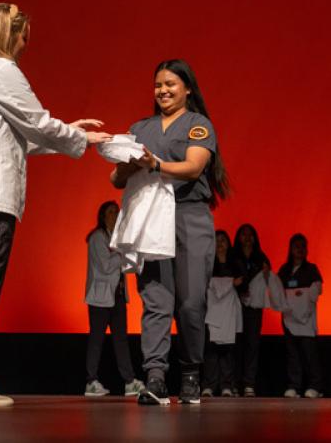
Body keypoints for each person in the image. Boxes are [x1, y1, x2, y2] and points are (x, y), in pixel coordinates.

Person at [0, 3, 111, 408]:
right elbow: (37, 123)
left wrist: (68, 133)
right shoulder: (1, 70)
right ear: (8, 34)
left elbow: (20, 136)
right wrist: (78, 139)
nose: (25, 45)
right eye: (23, 37)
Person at [111, 59, 229, 405]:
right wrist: (127, 164)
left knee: (191, 302)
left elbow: (193, 167)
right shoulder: (140, 128)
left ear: (187, 88)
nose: (163, 90)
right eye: (158, 85)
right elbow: (117, 179)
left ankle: (191, 372)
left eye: (170, 84)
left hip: (189, 216)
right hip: (150, 216)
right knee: (155, 301)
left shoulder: (197, 125)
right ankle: (156, 376)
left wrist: (155, 164)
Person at [84, 200, 144, 397]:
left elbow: (127, 265)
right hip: (100, 298)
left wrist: (124, 253)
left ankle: (129, 381)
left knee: (121, 340)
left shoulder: (118, 240)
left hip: (117, 296)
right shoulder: (97, 238)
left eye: (116, 212)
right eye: (110, 212)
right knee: (97, 340)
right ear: (102, 216)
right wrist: (124, 253)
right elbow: (106, 265)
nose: (114, 215)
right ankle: (91, 381)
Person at [278, 234, 323, 399]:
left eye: (303, 246)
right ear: (290, 249)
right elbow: (277, 291)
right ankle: (294, 386)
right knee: (293, 353)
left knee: (309, 353)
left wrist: (302, 304)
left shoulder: (312, 269)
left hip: (306, 318)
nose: (300, 250)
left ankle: (314, 385)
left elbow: (316, 290)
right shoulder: (284, 270)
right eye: (296, 246)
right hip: (289, 318)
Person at [232, 224, 270, 397]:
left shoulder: (261, 258)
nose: (247, 238)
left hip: (254, 307)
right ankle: (234, 383)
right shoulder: (233, 257)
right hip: (235, 306)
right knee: (235, 344)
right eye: (243, 234)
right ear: (238, 237)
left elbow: (269, 280)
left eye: (250, 235)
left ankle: (249, 383)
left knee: (252, 344)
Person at [202, 230, 240, 397]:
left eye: (223, 240)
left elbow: (243, 282)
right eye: (217, 240)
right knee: (211, 349)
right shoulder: (208, 264)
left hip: (229, 311)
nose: (220, 244)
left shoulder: (235, 263)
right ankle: (209, 385)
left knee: (227, 350)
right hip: (212, 309)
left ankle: (226, 385)